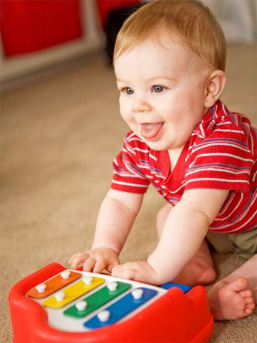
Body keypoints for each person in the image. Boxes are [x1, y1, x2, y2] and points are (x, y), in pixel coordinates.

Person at [69, 0, 257, 320]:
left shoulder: (223, 139)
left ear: (210, 89)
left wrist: (156, 268)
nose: (139, 106)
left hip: (250, 221)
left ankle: (233, 289)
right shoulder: (140, 143)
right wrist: (105, 247)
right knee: (167, 215)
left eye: (157, 88)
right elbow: (121, 200)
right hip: (217, 224)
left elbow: (196, 210)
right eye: (127, 90)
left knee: (183, 215)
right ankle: (195, 265)